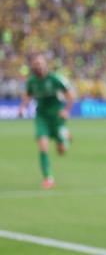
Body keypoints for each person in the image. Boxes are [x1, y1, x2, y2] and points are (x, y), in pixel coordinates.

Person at [18, 53, 75, 189]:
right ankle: (48, 178)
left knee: (61, 151)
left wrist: (66, 110)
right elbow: (28, 95)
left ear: (45, 64)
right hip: (41, 117)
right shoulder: (31, 82)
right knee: (43, 146)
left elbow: (70, 95)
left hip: (56, 117)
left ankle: (65, 136)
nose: (38, 66)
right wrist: (22, 108)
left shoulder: (55, 79)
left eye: (40, 63)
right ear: (32, 66)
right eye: (35, 63)